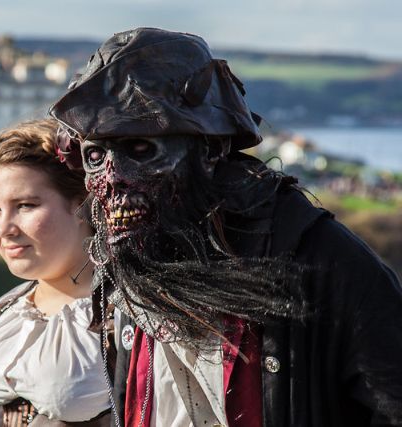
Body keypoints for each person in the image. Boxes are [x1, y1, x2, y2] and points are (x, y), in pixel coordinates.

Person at [49, 28, 402, 426]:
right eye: (95, 156)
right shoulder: (136, 264)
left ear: (212, 148)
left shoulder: (320, 264)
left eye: (141, 150)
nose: (113, 180)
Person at [0, 119, 112, 426]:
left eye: (26, 205)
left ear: (82, 204)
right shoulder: (3, 313)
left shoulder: (129, 315)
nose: (3, 228)